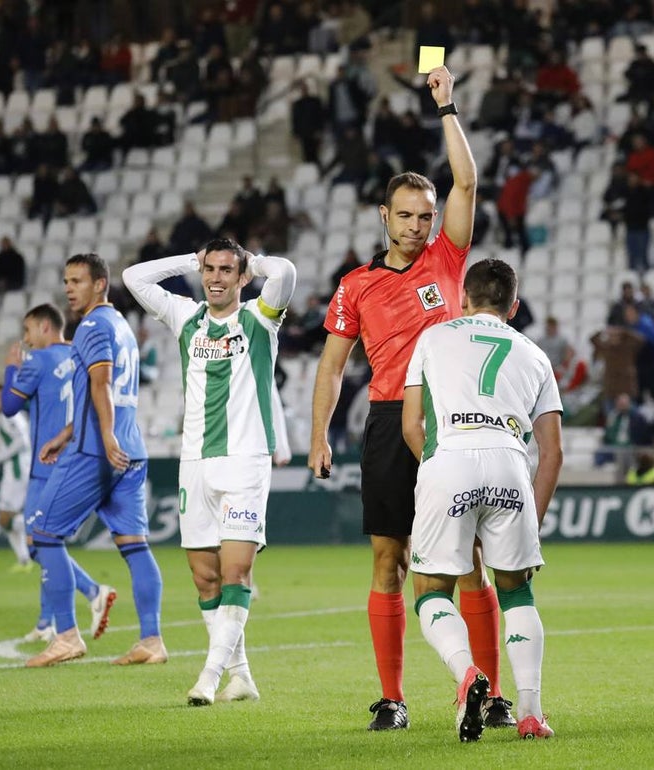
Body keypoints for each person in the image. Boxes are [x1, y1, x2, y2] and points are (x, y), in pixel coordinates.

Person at [308, 65, 516, 731]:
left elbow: (468, 181)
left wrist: (447, 108)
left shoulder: (447, 260)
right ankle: (393, 698)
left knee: (475, 557)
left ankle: (491, 692)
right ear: (383, 216)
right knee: (388, 558)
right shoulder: (356, 285)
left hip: (455, 419)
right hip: (391, 417)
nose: (418, 225)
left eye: (426, 216)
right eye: (405, 215)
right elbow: (332, 366)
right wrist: (317, 435)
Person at [123, 237, 296, 706]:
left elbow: (286, 273)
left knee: (237, 575)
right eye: (210, 270)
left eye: (226, 270)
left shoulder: (259, 318)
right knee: (206, 580)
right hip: (194, 463)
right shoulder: (186, 318)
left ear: (241, 278)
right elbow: (133, 277)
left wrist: (252, 262)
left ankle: (209, 676)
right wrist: (189, 259)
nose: (216, 278)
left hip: (245, 461)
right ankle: (242, 678)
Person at [401, 258, 562, 742]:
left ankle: (468, 673)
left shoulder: (433, 338)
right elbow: (552, 452)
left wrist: (435, 472)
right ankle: (531, 714)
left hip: (449, 458)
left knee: (431, 590)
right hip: (510, 467)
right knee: (516, 591)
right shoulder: (535, 355)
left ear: (464, 299)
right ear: (513, 306)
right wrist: (531, 519)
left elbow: (412, 425)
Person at [24, 253, 165, 668]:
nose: (69, 288)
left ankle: (66, 635)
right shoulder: (122, 327)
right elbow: (102, 390)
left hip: (96, 453)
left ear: (100, 284)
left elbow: (102, 383)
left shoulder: (91, 326)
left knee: (43, 535)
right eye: (66, 280)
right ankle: (152, 640)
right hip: (130, 450)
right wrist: (64, 434)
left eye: (77, 281)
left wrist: (100, 437)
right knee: (134, 546)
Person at [1, 304, 115, 643]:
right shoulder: (80, 356)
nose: (26, 339)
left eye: (28, 331)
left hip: (43, 466)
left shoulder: (38, 360)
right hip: (76, 461)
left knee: (39, 544)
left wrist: (11, 369)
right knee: (49, 541)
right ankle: (46, 621)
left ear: (44, 327)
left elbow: (9, 406)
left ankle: (93, 591)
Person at [0, 383, 33, 572]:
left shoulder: (11, 414)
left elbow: (22, 441)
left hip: (17, 471)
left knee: (5, 519)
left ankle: (36, 524)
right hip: (15, 470)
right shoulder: (9, 417)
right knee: (5, 520)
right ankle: (24, 560)